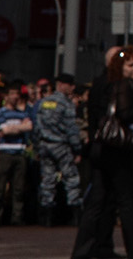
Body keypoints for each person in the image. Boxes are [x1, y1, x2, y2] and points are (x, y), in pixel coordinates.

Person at [71, 46, 133, 259]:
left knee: (99, 201)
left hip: (99, 147)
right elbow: (125, 113)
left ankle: (88, 249)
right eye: (130, 64)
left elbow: (94, 116)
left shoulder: (97, 84)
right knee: (125, 201)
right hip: (117, 150)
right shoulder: (121, 84)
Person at [35, 72, 82, 226]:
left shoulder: (44, 102)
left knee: (48, 180)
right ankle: (75, 215)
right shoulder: (66, 104)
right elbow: (71, 129)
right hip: (61, 146)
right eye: (70, 85)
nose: (73, 88)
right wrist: (77, 149)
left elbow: (37, 127)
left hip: (45, 145)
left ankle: (47, 216)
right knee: (71, 179)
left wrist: (37, 146)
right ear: (62, 85)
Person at [0, 86, 33, 225]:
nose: (15, 97)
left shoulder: (22, 113)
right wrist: (20, 127)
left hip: (19, 153)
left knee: (18, 189)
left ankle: (17, 218)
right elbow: (4, 130)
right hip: (5, 153)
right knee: (0, 187)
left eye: (17, 94)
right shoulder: (1, 112)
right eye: (12, 94)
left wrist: (14, 128)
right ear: (7, 96)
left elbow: (29, 126)